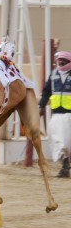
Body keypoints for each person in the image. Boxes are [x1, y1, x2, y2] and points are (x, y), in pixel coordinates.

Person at [40, 50, 71, 178]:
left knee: (67, 142)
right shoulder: (53, 75)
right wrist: (41, 106)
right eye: (60, 60)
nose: (61, 62)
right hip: (56, 114)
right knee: (56, 141)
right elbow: (46, 91)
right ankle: (65, 165)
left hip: (69, 114)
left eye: (64, 60)